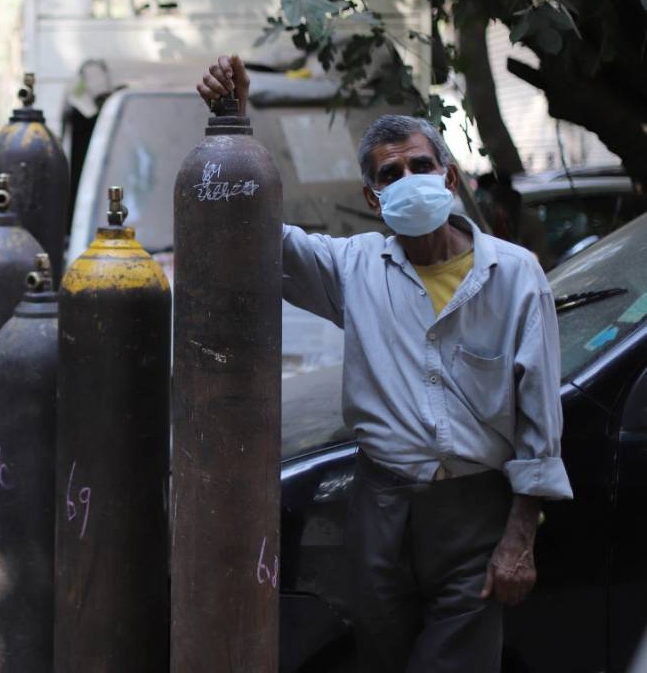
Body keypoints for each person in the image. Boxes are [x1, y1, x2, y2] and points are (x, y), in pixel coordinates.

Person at [199, 56, 573, 672]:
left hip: (475, 513)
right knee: (380, 658)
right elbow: (252, 225)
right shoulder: (352, 265)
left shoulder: (514, 274)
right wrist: (232, 124)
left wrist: (519, 537)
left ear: (449, 180)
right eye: (390, 174)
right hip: (380, 511)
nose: (408, 179)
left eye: (421, 166)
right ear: (374, 198)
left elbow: (540, 419)